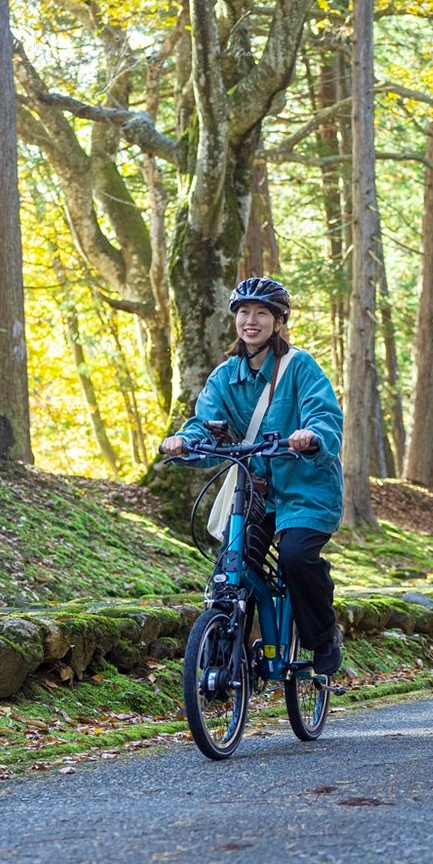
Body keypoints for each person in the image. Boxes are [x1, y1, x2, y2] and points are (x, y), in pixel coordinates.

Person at [160, 277, 347, 675]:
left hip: (305, 489)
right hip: (253, 491)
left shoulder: (299, 367)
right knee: (232, 569)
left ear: (278, 323)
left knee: (296, 558)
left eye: (262, 313)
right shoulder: (225, 377)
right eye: (244, 312)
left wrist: (311, 436)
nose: (251, 320)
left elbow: (325, 416)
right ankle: (229, 654)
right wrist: (182, 442)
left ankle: (323, 636)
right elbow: (204, 425)